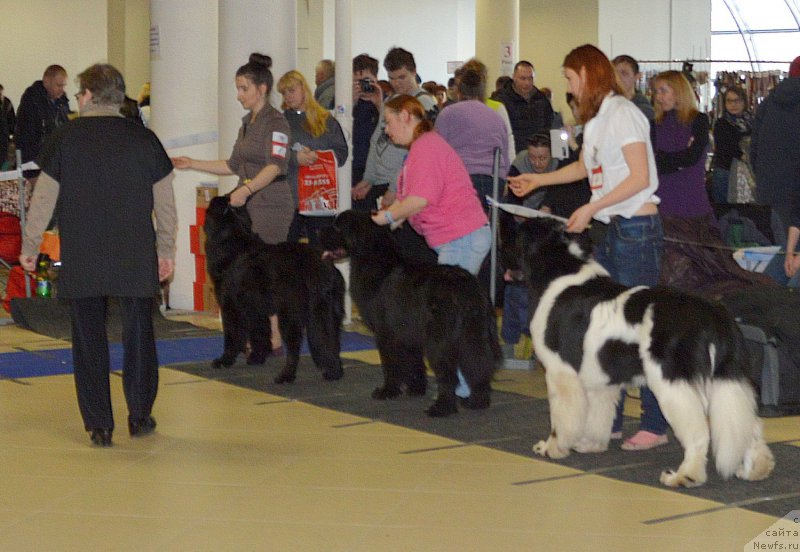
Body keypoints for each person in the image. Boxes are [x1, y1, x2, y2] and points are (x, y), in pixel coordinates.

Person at [508, 44, 664, 450]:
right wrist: (538, 181)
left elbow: (638, 177)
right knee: (605, 329)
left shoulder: (625, 114)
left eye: (571, 77)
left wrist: (592, 206)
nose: (568, 86)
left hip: (637, 227)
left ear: (589, 75)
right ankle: (605, 421)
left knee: (639, 329)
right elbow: (584, 167)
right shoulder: (596, 120)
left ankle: (654, 421)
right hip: (614, 229)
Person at [19, 63, 177, 447]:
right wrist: (167, 248)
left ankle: (99, 424)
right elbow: (165, 202)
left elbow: (43, 199)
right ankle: (139, 414)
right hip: (134, 251)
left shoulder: (63, 138)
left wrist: (30, 245)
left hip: (83, 251)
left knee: (88, 339)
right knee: (140, 334)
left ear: (88, 95)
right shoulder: (144, 139)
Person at [372, 94, 491, 399]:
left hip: (461, 236)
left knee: (449, 320)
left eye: (388, 121)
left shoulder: (426, 148)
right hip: (459, 236)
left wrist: (386, 218)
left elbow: (419, 200)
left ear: (406, 117)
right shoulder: (422, 149)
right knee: (454, 317)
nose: (387, 129)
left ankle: (461, 388)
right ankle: (467, 385)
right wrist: (396, 218)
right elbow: (413, 201)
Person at [172, 52, 292, 354]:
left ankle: (274, 336)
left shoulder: (277, 123)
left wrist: (247, 189)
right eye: (237, 89)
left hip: (272, 203)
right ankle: (256, 335)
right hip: (247, 202)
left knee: (263, 273)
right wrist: (193, 163)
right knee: (248, 274)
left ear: (261, 89)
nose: (238, 95)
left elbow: (275, 166)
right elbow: (232, 164)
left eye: (244, 89)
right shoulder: (246, 124)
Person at [352, 47, 438, 209]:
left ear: (414, 72)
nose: (397, 83)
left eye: (402, 77)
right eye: (392, 78)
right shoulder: (392, 100)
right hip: (381, 181)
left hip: (402, 185)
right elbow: (376, 139)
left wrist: (394, 188)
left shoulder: (423, 103)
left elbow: (415, 154)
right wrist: (368, 178)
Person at [277, 70, 348, 248]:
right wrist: (295, 158)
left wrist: (319, 157)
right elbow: (273, 156)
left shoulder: (327, 120)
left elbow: (341, 153)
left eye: (291, 91)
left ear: (304, 89)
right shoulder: (280, 122)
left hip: (320, 197)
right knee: (286, 255)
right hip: (290, 197)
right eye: (284, 93)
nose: (288, 96)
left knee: (322, 251)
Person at [751, 55, 800, 288]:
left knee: (783, 256)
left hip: (771, 189)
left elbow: (754, 147)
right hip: (794, 193)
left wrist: (763, 177)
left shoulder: (768, 102)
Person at [15, 65, 71, 178]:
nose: (62, 89)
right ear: (46, 82)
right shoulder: (31, 102)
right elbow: (26, 137)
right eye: (58, 85)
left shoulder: (63, 102)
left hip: (57, 164)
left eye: (63, 85)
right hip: (37, 166)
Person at [493, 60, 554, 153]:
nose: (527, 83)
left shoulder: (542, 100)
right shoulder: (501, 100)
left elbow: (549, 126)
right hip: (511, 153)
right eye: (523, 78)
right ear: (513, 77)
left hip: (537, 155)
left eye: (530, 78)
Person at [350, 54, 383, 211]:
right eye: (358, 82)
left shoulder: (385, 102)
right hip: (353, 167)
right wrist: (350, 103)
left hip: (378, 170)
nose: (363, 86)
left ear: (376, 80)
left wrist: (379, 105)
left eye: (367, 81)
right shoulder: (343, 102)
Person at [710, 85, 752, 204]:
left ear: (744, 102)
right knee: (724, 210)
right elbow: (725, 148)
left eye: (737, 101)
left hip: (746, 172)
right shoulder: (721, 123)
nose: (733, 104)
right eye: (729, 101)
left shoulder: (751, 121)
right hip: (726, 172)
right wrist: (743, 156)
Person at [612, 55, 655, 124]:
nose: (618, 78)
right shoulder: (606, 104)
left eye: (624, 73)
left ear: (637, 76)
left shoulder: (644, 111)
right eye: (614, 74)